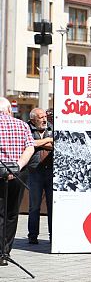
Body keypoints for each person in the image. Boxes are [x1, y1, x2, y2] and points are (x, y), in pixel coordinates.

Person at [0, 97, 34, 265]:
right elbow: (30, 147)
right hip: (18, 174)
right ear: (9, 110)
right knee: (12, 213)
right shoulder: (22, 125)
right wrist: (17, 166)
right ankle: (4, 252)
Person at [26, 108, 54, 244]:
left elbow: (56, 144)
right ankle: (32, 236)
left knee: (52, 205)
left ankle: (52, 236)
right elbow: (30, 143)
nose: (44, 119)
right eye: (40, 117)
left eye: (45, 116)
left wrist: (39, 144)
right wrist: (47, 140)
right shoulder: (27, 128)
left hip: (51, 172)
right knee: (34, 206)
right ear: (33, 119)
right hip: (35, 172)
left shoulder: (52, 128)